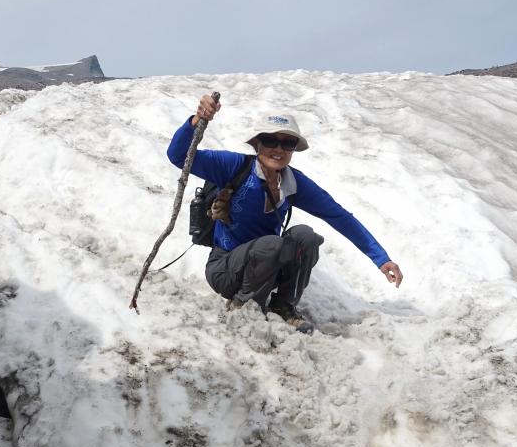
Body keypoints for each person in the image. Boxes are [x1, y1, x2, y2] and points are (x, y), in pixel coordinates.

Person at [167, 93, 402, 332]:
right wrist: (197, 119)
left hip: (267, 267)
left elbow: (339, 216)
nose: (278, 149)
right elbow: (178, 156)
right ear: (257, 143)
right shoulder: (234, 166)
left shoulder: (293, 183)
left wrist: (381, 259)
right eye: (270, 140)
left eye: (287, 143)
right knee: (271, 244)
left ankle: (284, 305)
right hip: (225, 268)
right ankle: (245, 306)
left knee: (305, 237)